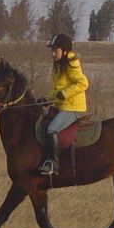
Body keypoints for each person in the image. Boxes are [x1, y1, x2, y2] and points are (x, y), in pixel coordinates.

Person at [39, 33, 89, 175]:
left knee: (51, 129)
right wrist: (47, 99)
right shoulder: (58, 65)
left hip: (73, 107)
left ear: (65, 50)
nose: (53, 53)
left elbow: (83, 83)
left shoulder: (71, 64)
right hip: (62, 106)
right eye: (52, 51)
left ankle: (54, 165)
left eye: (56, 50)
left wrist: (65, 94)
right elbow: (57, 89)